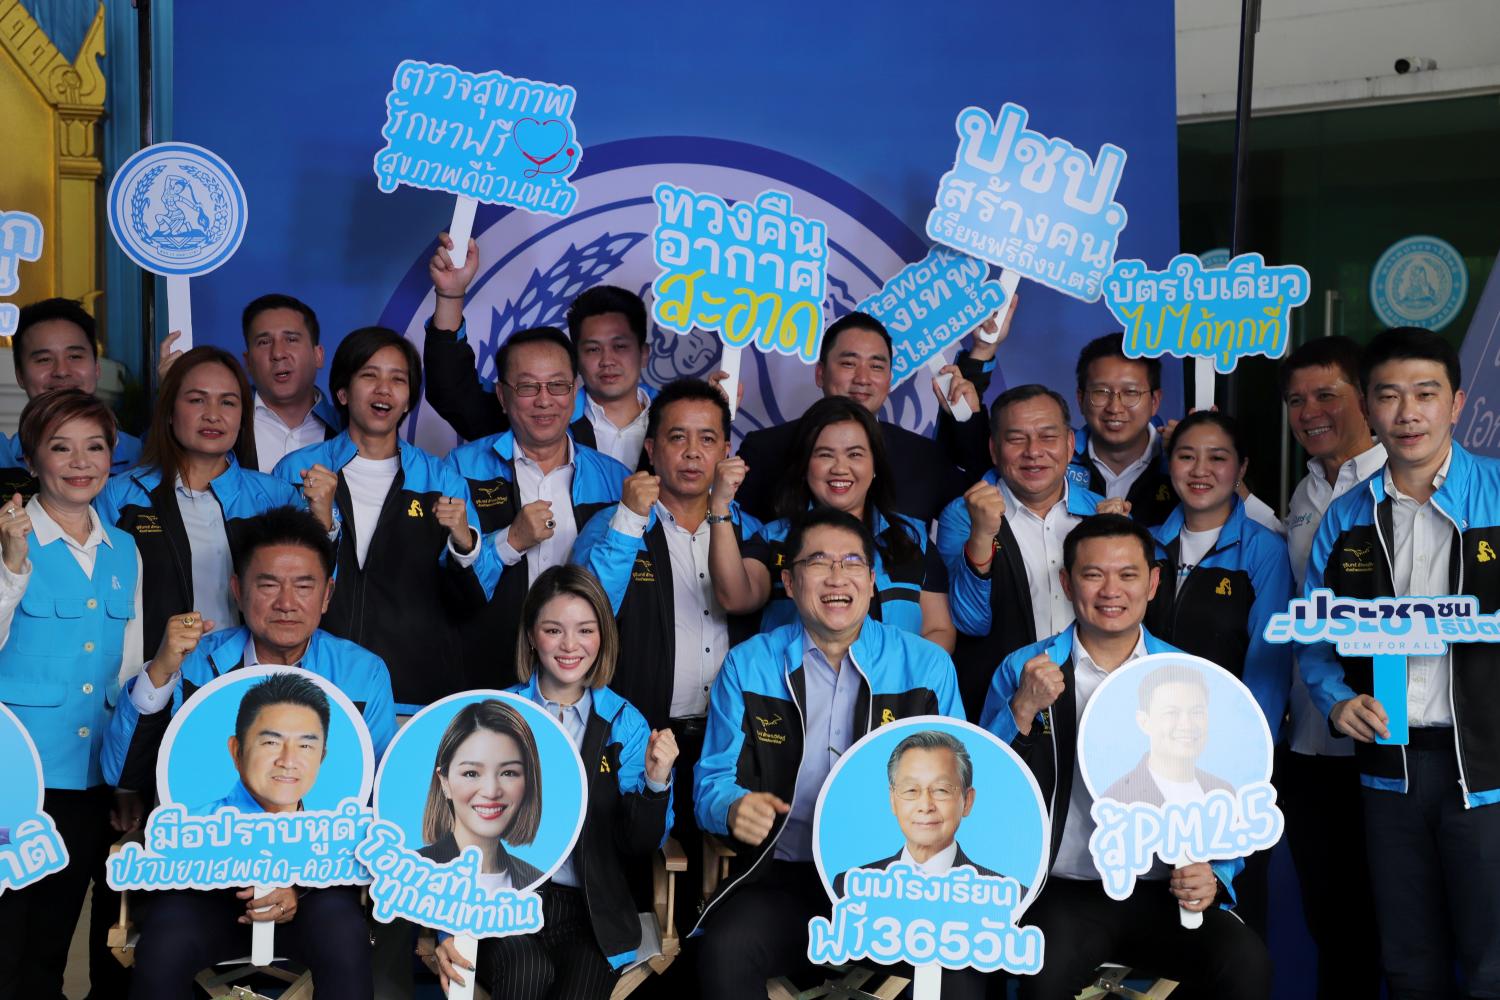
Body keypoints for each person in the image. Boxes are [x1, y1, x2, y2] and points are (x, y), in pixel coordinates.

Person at [980, 514, 1271, 999]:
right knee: (1041, 980)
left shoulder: (1187, 674)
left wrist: (1215, 872)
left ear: (1154, 583)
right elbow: (988, 786)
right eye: (1093, 574)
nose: (1110, 589)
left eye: (1128, 575)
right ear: (1067, 582)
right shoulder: (1026, 668)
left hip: (1163, 889)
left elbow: (1228, 790)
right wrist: (1023, 709)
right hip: (1066, 889)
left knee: (1245, 964)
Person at [693, 507, 963, 1000]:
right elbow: (711, 782)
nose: (837, 577)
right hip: (784, 876)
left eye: (852, 563)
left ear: (874, 579)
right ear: (790, 582)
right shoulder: (749, 664)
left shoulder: (927, 667)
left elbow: (961, 786)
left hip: (897, 886)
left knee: (958, 974)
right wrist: (732, 807)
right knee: (725, 949)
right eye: (818, 562)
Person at [1302, 326, 1500, 999]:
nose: (1407, 413)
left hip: (1489, 771)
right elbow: (1313, 636)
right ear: (1367, 406)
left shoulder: (1497, 495)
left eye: (1425, 394)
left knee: (1491, 963)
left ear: (1456, 402)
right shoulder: (1347, 516)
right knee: (1408, 961)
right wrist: (1335, 698)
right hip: (1391, 770)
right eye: (1388, 396)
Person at [433, 566, 676, 999]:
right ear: (531, 635)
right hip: (500, 901)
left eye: (585, 630)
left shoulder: (625, 723)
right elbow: (447, 822)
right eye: (553, 630)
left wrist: (656, 784)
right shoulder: (496, 714)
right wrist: (442, 926)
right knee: (526, 971)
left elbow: (639, 844)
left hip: (590, 911)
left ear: (603, 637)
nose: (570, 646)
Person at [0, 390, 144, 1000]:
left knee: (55, 943)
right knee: (10, 948)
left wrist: (127, 779)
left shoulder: (126, 550)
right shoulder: (9, 537)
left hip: (92, 781)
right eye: (60, 447)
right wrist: (12, 568)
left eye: (95, 446)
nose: (80, 461)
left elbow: (133, 670)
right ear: (32, 460)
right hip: (17, 783)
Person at [102, 504, 397, 791]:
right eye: (268, 586)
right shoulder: (195, 666)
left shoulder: (363, 673)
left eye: (304, 587)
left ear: (326, 595)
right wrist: (160, 672)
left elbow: (379, 790)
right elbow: (126, 775)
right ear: (238, 592)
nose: (286, 604)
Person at [274, 327, 494, 711]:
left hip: (414, 689)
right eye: (369, 376)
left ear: (409, 399)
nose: (384, 389)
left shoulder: (440, 479)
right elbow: (270, 576)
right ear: (343, 392)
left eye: (398, 379)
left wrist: (464, 541)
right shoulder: (298, 472)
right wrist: (321, 524)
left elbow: (476, 598)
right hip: (313, 682)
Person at [125, 672, 373, 1000]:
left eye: (306, 745)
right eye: (270, 742)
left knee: (346, 934)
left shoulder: (337, 828)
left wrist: (297, 887)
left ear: (322, 756)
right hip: (206, 903)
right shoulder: (194, 822)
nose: (288, 760)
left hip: (309, 902)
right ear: (237, 750)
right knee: (164, 943)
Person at [1276, 335, 1383, 999]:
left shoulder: (1401, 480)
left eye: (1326, 395)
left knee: (1394, 922)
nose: (1309, 411)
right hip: (1309, 744)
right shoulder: (1305, 491)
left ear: (1366, 400)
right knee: (1330, 920)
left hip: (1386, 738)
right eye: (1296, 400)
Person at [95, 347, 304, 666]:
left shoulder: (275, 496)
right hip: (151, 679)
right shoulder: (122, 495)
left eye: (228, 402)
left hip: (248, 679)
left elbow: (309, 591)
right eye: (196, 400)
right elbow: (97, 599)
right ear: (168, 411)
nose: (213, 414)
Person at [445, 325, 630, 684]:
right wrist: (510, 541)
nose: (544, 400)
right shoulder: (459, 469)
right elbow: (447, 589)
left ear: (576, 392)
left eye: (558, 386)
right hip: (485, 673)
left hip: (585, 681)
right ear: (501, 395)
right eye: (528, 387)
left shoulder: (614, 480)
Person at [937, 384, 1111, 718]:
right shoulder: (963, 514)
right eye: (1017, 439)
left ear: (1070, 444)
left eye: (1048, 437)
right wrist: (981, 534)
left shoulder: (1100, 515)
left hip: (1092, 699)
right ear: (993, 448)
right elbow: (971, 621)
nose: (1034, 451)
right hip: (1002, 704)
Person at [734, 310, 1003, 524]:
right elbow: (732, 541)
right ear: (820, 373)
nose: (862, 378)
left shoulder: (922, 457)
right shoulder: (765, 450)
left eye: (876, 366)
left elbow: (983, 499)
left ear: (888, 378)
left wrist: (980, 355)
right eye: (849, 364)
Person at [731, 396, 955, 649]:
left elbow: (939, 628)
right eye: (825, 455)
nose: (840, 468)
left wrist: (904, 684)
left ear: (874, 466)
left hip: (898, 688)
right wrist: (718, 507)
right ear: (805, 466)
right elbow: (736, 598)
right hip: (792, 686)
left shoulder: (912, 537)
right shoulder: (773, 538)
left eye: (855, 454)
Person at [422, 233, 656, 464]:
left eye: (620, 346)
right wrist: (450, 295)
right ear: (574, 359)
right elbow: (451, 389)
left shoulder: (679, 416)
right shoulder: (536, 413)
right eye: (593, 349)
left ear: (644, 353)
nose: (608, 360)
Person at [1144, 411, 1293, 733]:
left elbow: (1270, 664)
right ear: (1170, 463)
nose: (1200, 470)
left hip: (1229, 735)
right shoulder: (1143, 544)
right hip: (1149, 733)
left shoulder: (1264, 551)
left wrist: (1251, 745)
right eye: (1186, 456)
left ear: (1241, 468)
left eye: (1217, 458)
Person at [0, 298, 141, 499]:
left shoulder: (144, 457)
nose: (62, 371)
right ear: (20, 375)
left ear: (96, 367)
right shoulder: (3, 459)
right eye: (44, 359)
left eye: (75, 356)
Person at [837, 730, 1000, 888]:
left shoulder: (1005, 897)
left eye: (941, 790)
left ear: (967, 801)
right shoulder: (851, 887)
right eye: (911, 790)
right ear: (892, 799)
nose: (925, 806)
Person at [418, 698, 547, 888]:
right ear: (444, 781)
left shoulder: (537, 881)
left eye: (508, 773)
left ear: (528, 781)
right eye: (471, 773)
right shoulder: (411, 872)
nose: (491, 791)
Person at [1067, 333, 1175, 526]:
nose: (1115, 408)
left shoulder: (1178, 462)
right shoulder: (1055, 458)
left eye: (1131, 392)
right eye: (1101, 392)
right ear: (1080, 399)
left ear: (1155, 401)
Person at [1100, 664, 1234, 804]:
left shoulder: (1224, 793)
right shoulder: (1117, 801)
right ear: (1144, 722)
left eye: (1197, 712)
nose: (1187, 724)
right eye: (1171, 713)